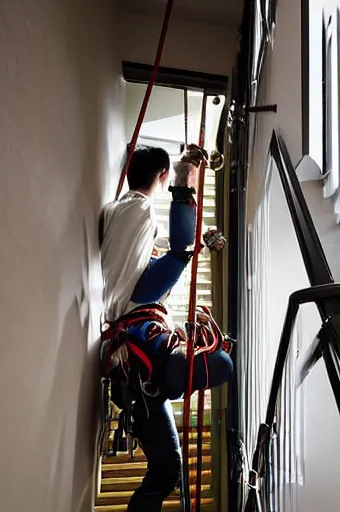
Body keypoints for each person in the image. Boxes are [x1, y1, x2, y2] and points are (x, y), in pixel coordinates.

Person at [99, 144, 233, 512]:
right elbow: (167, 261)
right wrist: (186, 179)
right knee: (221, 364)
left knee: (167, 467)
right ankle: (183, 173)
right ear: (161, 176)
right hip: (141, 350)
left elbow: (147, 255)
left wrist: (196, 241)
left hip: (137, 369)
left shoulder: (118, 211)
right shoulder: (140, 209)